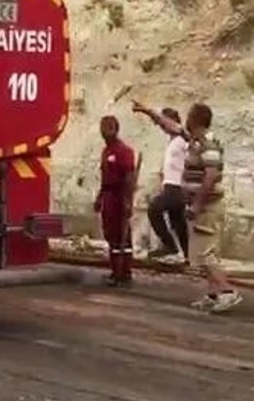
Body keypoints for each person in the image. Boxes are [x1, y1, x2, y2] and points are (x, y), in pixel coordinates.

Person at [133, 100, 243, 313]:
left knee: (207, 253)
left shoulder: (208, 145)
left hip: (206, 208)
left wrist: (197, 204)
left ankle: (228, 292)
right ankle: (213, 295)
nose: (187, 119)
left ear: (197, 119)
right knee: (199, 253)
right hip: (196, 206)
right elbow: (170, 125)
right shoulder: (194, 140)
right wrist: (148, 111)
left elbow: (210, 176)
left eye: (190, 115)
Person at [95, 115, 138, 286]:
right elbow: (104, 177)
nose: (105, 131)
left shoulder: (124, 151)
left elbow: (129, 177)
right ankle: (114, 270)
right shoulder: (106, 151)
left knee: (123, 235)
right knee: (110, 234)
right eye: (103, 127)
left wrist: (127, 200)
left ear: (116, 129)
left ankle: (124, 272)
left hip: (120, 194)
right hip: (108, 195)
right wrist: (99, 197)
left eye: (109, 127)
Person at [145, 108, 190, 261]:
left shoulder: (183, 138)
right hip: (170, 185)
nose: (162, 127)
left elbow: (170, 125)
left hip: (176, 187)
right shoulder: (172, 141)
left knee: (154, 209)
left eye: (164, 123)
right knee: (178, 223)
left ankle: (169, 245)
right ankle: (188, 256)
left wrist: (146, 110)